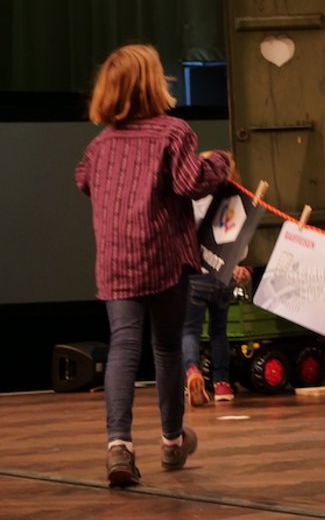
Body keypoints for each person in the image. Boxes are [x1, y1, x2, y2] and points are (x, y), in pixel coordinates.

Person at [76, 43, 233, 487]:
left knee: (124, 346)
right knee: (165, 348)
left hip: (115, 260)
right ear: (152, 84)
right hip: (162, 256)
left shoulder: (101, 143)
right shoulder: (173, 133)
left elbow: (82, 179)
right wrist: (218, 163)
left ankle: (119, 448)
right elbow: (189, 182)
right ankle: (171, 441)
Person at [183, 256, 252, 406]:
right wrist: (246, 269)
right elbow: (244, 246)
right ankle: (222, 384)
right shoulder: (232, 230)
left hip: (197, 276)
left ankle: (192, 370)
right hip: (225, 278)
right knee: (219, 332)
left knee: (190, 331)